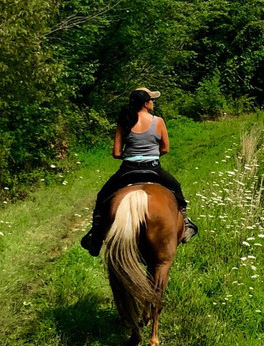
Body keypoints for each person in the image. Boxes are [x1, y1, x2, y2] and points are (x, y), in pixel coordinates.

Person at [80, 87, 198, 256]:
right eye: (152, 100)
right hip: (153, 168)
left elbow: (116, 153)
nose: (153, 103)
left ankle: (96, 235)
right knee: (176, 189)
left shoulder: (125, 121)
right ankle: (185, 224)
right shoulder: (158, 121)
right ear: (145, 103)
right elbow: (165, 148)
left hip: (128, 169)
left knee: (102, 196)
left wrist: (131, 156)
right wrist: (150, 154)